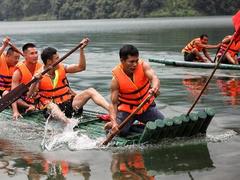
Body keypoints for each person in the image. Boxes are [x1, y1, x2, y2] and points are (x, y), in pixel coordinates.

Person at [28, 38, 109, 122]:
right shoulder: (38, 75)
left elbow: (81, 67)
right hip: (51, 111)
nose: (60, 60)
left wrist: (81, 50)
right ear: (49, 61)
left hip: (68, 105)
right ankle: (68, 123)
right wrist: (35, 81)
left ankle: (112, 110)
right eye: (57, 58)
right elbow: (30, 95)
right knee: (51, 105)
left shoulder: (62, 67)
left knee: (90, 91)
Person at [107, 44, 164, 137]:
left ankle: (133, 126)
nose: (135, 64)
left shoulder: (143, 66)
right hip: (128, 111)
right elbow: (113, 104)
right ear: (122, 61)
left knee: (162, 126)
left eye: (136, 61)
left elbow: (154, 78)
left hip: (146, 107)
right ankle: (114, 125)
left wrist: (154, 88)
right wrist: (113, 123)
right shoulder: (115, 80)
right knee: (120, 132)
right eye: (131, 62)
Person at [11, 43, 43, 120]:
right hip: (24, 99)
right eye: (32, 53)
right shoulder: (18, 72)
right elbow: (13, 94)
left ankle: (35, 106)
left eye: (36, 53)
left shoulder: (41, 68)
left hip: (37, 98)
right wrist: (15, 111)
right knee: (9, 95)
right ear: (24, 55)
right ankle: (29, 106)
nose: (35, 56)